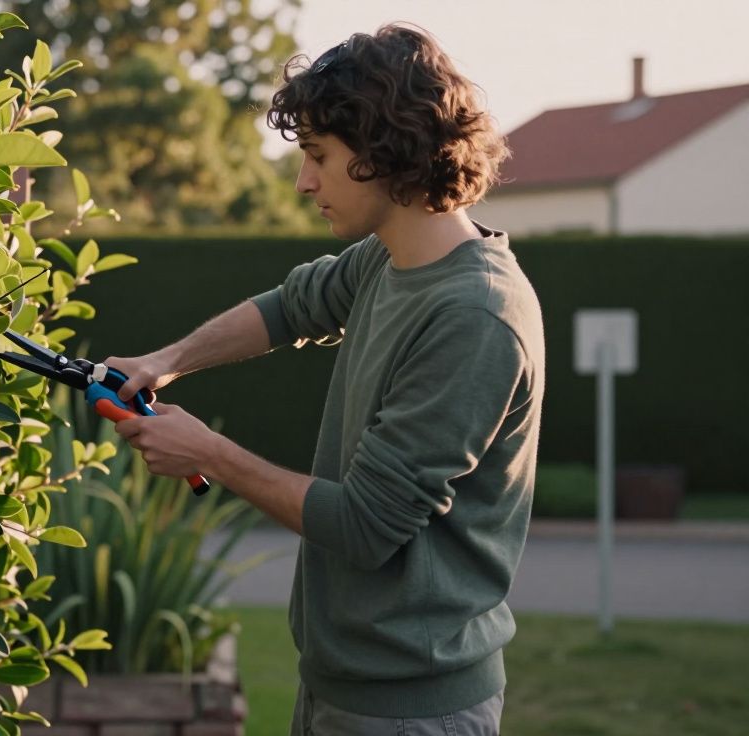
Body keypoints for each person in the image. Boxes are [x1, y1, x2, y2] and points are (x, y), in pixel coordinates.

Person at [105, 23, 543, 736]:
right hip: (340, 682)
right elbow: (291, 307)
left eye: (318, 156)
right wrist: (165, 361)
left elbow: (367, 525)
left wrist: (208, 452)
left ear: (383, 152)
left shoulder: (475, 317)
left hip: (411, 707)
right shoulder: (388, 259)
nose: (305, 181)